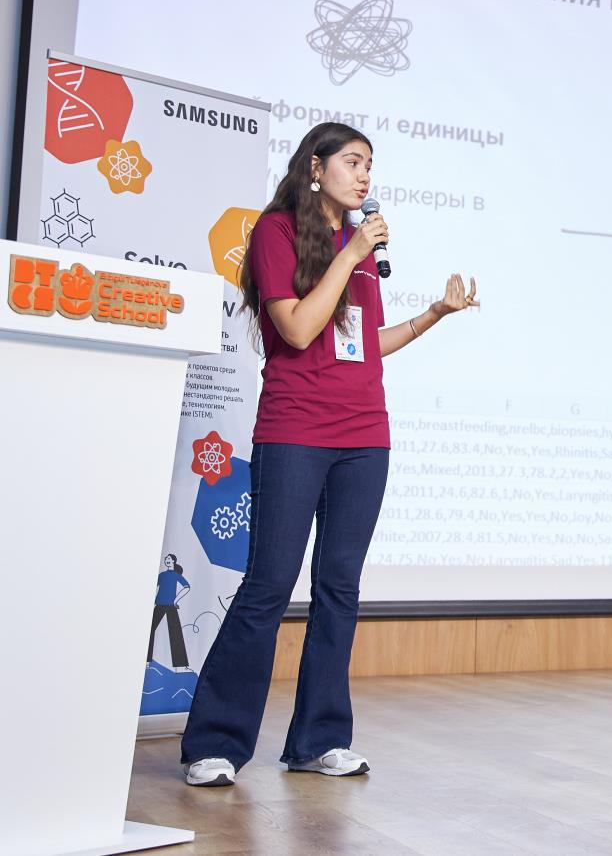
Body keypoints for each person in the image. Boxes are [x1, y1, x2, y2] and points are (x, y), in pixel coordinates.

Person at [180, 122, 478, 786]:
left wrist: (435, 313)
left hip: (365, 436)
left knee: (340, 588)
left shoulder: (359, 245)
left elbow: (363, 341)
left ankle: (318, 741)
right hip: (295, 430)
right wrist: (351, 254)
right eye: (353, 161)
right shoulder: (277, 232)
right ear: (315, 167)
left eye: (370, 164)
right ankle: (215, 743)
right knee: (268, 585)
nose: (365, 175)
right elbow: (296, 327)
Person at [148, 553, 191, 669]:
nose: (166, 560)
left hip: (171, 606)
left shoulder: (176, 575)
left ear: (173, 561)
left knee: (175, 632)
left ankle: (181, 664)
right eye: (166, 558)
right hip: (159, 604)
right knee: (150, 630)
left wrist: (176, 600)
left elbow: (187, 587)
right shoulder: (161, 575)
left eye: (169, 559)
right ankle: (147, 661)